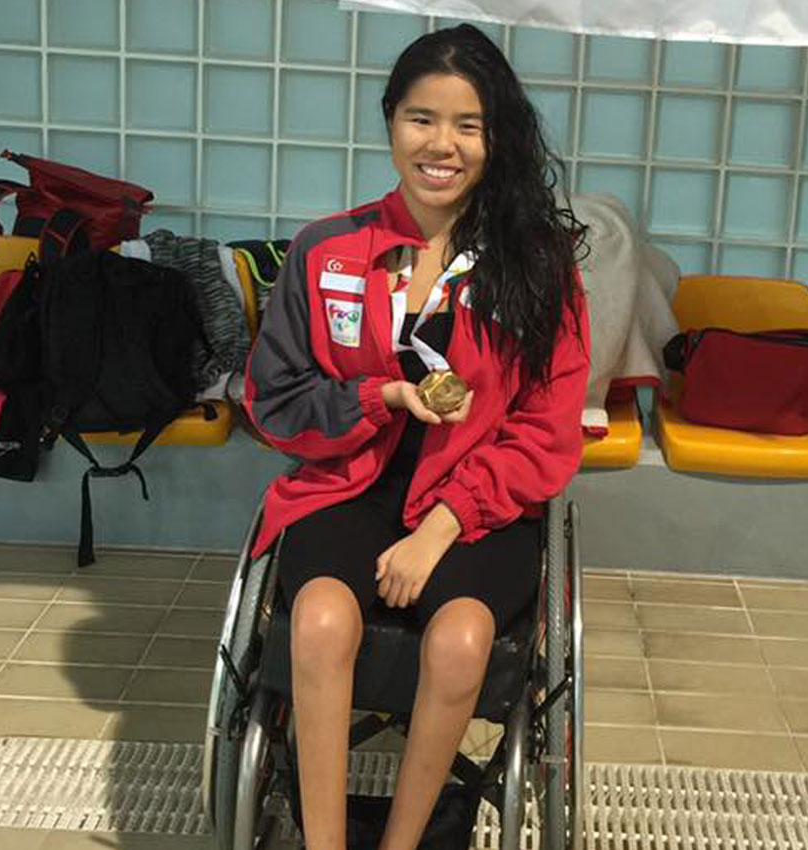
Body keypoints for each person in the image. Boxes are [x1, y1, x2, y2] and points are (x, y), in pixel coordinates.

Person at [243, 23, 590, 850]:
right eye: (422, 119)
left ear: (497, 139)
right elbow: (275, 398)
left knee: (463, 640)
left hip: (478, 502)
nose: (442, 145)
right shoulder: (329, 251)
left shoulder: (536, 265)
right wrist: (380, 395)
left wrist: (441, 526)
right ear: (391, 121)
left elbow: (545, 431)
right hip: (348, 483)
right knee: (319, 621)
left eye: (468, 125)